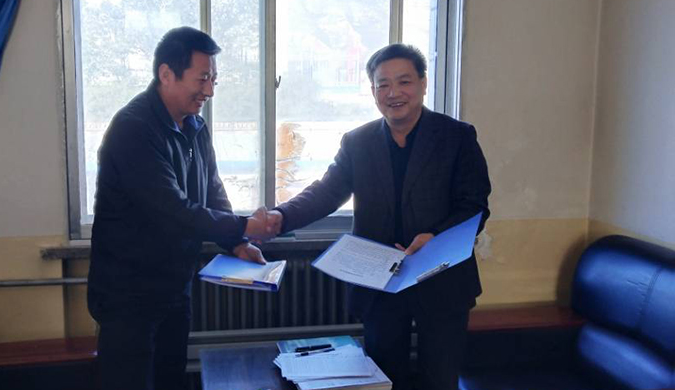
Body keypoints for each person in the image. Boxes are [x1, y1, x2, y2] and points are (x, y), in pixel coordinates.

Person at [270, 44, 490, 390]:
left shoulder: (457, 136)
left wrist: (434, 236)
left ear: (423, 84)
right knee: (383, 379)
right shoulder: (358, 142)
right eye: (383, 84)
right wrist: (278, 218)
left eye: (404, 82)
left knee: (440, 379)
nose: (393, 93)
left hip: (442, 279)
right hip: (379, 283)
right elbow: (326, 193)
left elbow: (474, 205)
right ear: (373, 90)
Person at [87, 26, 282, 390]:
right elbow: (173, 210)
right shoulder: (134, 129)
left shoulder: (195, 125)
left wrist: (237, 243)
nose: (209, 90)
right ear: (166, 74)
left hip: (174, 287)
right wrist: (244, 226)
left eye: (214, 80)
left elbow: (211, 190)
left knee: (170, 379)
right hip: (128, 295)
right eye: (202, 79)